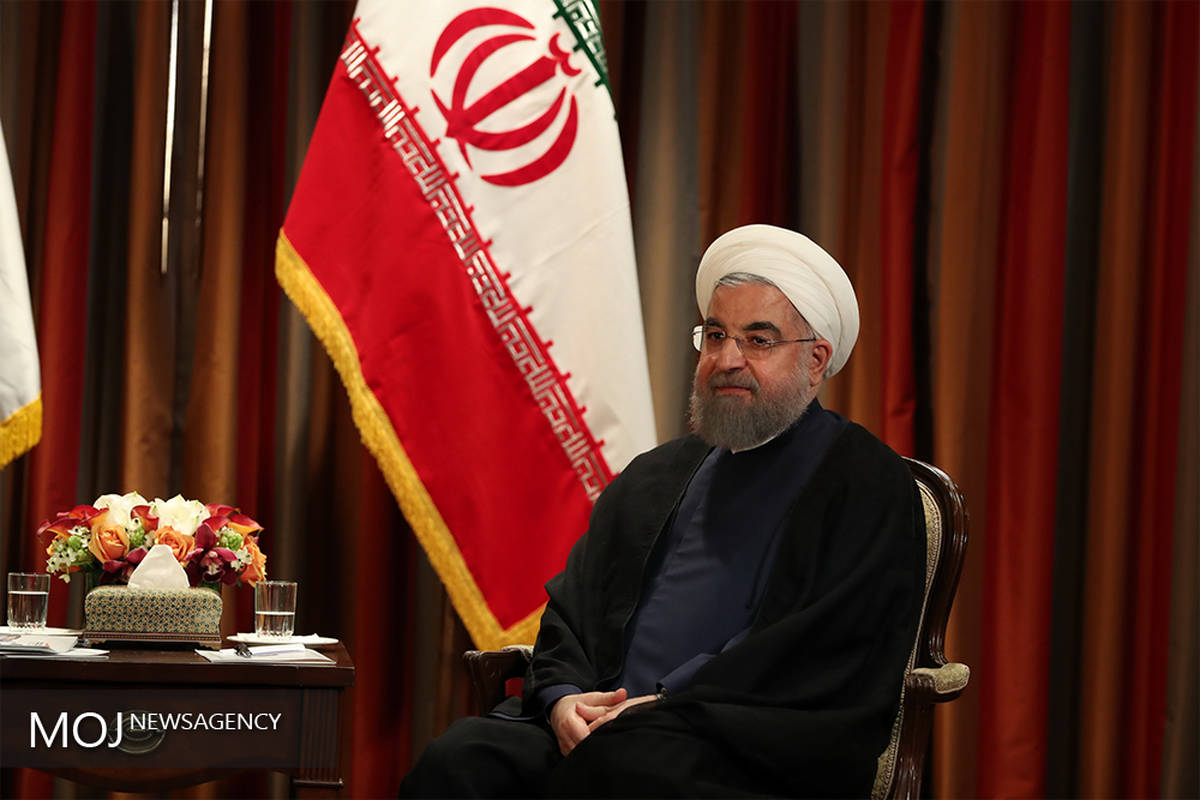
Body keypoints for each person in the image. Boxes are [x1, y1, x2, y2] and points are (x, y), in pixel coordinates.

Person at [399, 224, 925, 798]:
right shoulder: (658, 475)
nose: (727, 359)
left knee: (626, 767)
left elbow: (821, 652)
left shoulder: (864, 483)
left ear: (816, 359)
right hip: (605, 728)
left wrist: (668, 701)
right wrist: (563, 700)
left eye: (758, 340)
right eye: (716, 335)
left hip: (745, 745)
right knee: (462, 760)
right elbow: (573, 613)